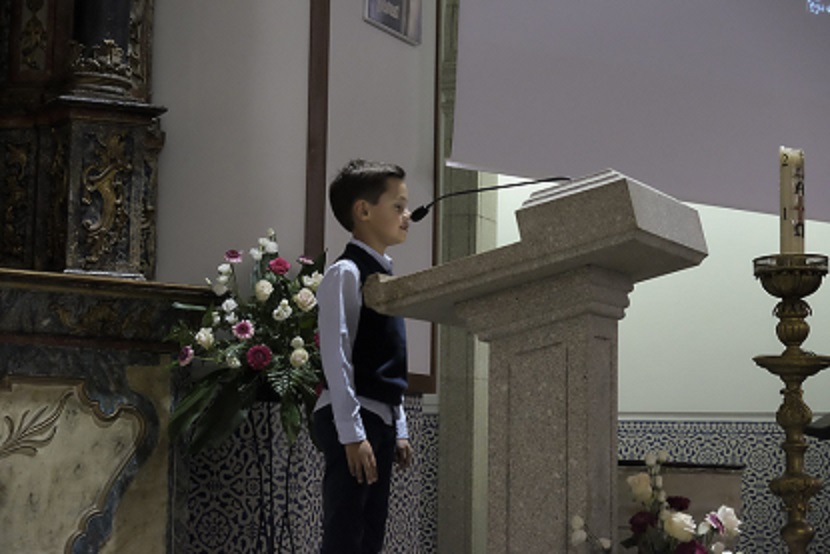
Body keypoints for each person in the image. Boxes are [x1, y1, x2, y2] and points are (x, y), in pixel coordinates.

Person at [313, 159, 414, 554]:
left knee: (370, 536)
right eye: (398, 206)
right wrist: (353, 433)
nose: (407, 216)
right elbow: (336, 355)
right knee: (346, 533)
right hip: (356, 418)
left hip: (379, 417)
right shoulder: (346, 272)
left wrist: (399, 425)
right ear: (363, 210)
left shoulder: (383, 276)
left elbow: (388, 359)